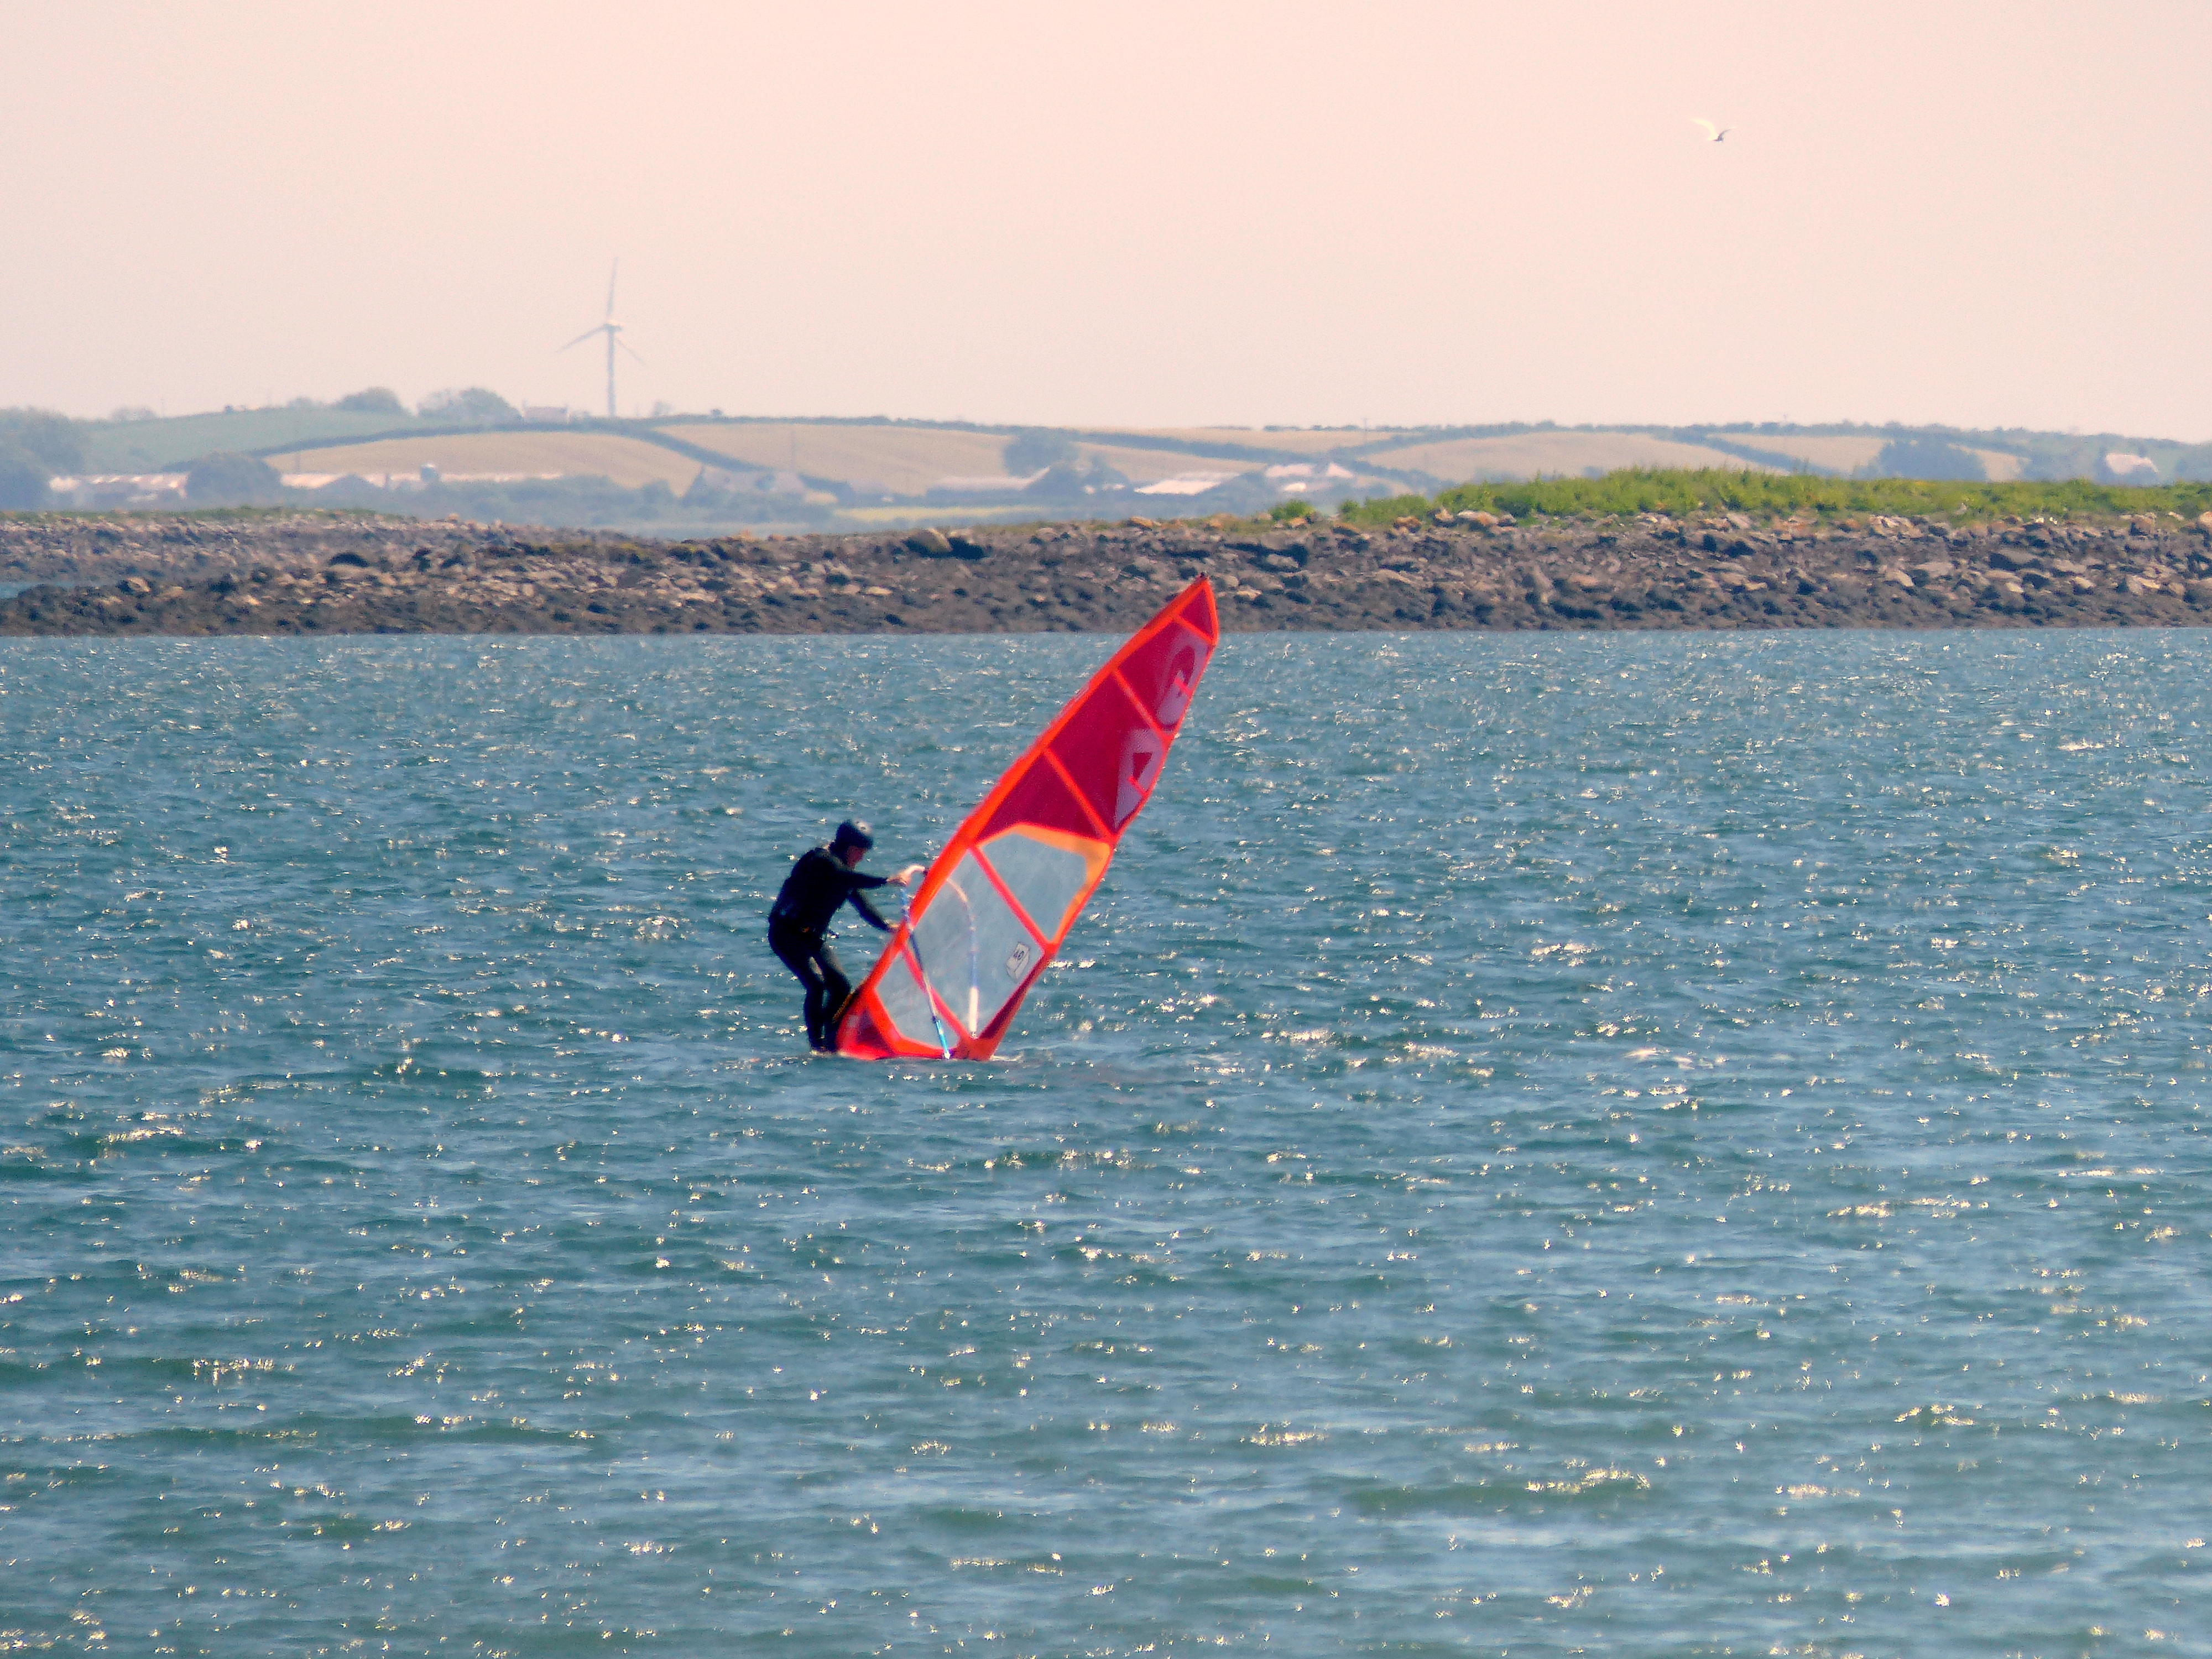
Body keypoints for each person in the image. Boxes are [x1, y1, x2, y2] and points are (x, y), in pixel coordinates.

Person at [768, 820, 920, 1052]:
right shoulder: (821, 861)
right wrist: (887, 881)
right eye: (859, 851)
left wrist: (888, 926)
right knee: (817, 983)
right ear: (846, 846)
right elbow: (844, 877)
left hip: (812, 937)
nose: (861, 857)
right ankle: (817, 1045)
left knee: (841, 986)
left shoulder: (845, 875)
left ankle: (833, 1038)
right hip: (786, 934)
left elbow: (863, 906)